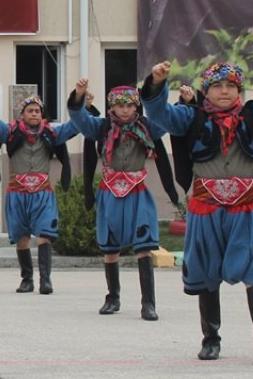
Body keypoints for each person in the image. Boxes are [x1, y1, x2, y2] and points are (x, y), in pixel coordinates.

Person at [141, 43, 253, 363]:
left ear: (239, 89)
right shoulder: (190, 118)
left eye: (231, 86)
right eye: (217, 86)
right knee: (207, 270)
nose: (224, 91)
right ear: (205, 91)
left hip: (248, 209)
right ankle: (211, 340)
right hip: (206, 209)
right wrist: (155, 84)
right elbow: (158, 113)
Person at [67, 81, 179, 321]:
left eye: (130, 105)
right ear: (112, 107)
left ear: (137, 105)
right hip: (109, 192)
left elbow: (167, 119)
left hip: (138, 192)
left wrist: (177, 99)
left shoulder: (148, 127)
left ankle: (148, 303)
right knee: (110, 247)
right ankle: (113, 296)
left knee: (144, 246)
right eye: (120, 105)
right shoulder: (102, 127)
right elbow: (80, 121)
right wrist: (78, 97)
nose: (125, 110)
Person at [0, 89, 77, 295]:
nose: (34, 114)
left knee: (46, 234)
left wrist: (83, 105)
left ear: (42, 114)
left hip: (43, 193)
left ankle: (46, 280)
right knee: (22, 237)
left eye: (38, 110)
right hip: (17, 193)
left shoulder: (52, 134)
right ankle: (27, 279)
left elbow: (74, 127)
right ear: (23, 114)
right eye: (30, 110)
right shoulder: (10, 132)